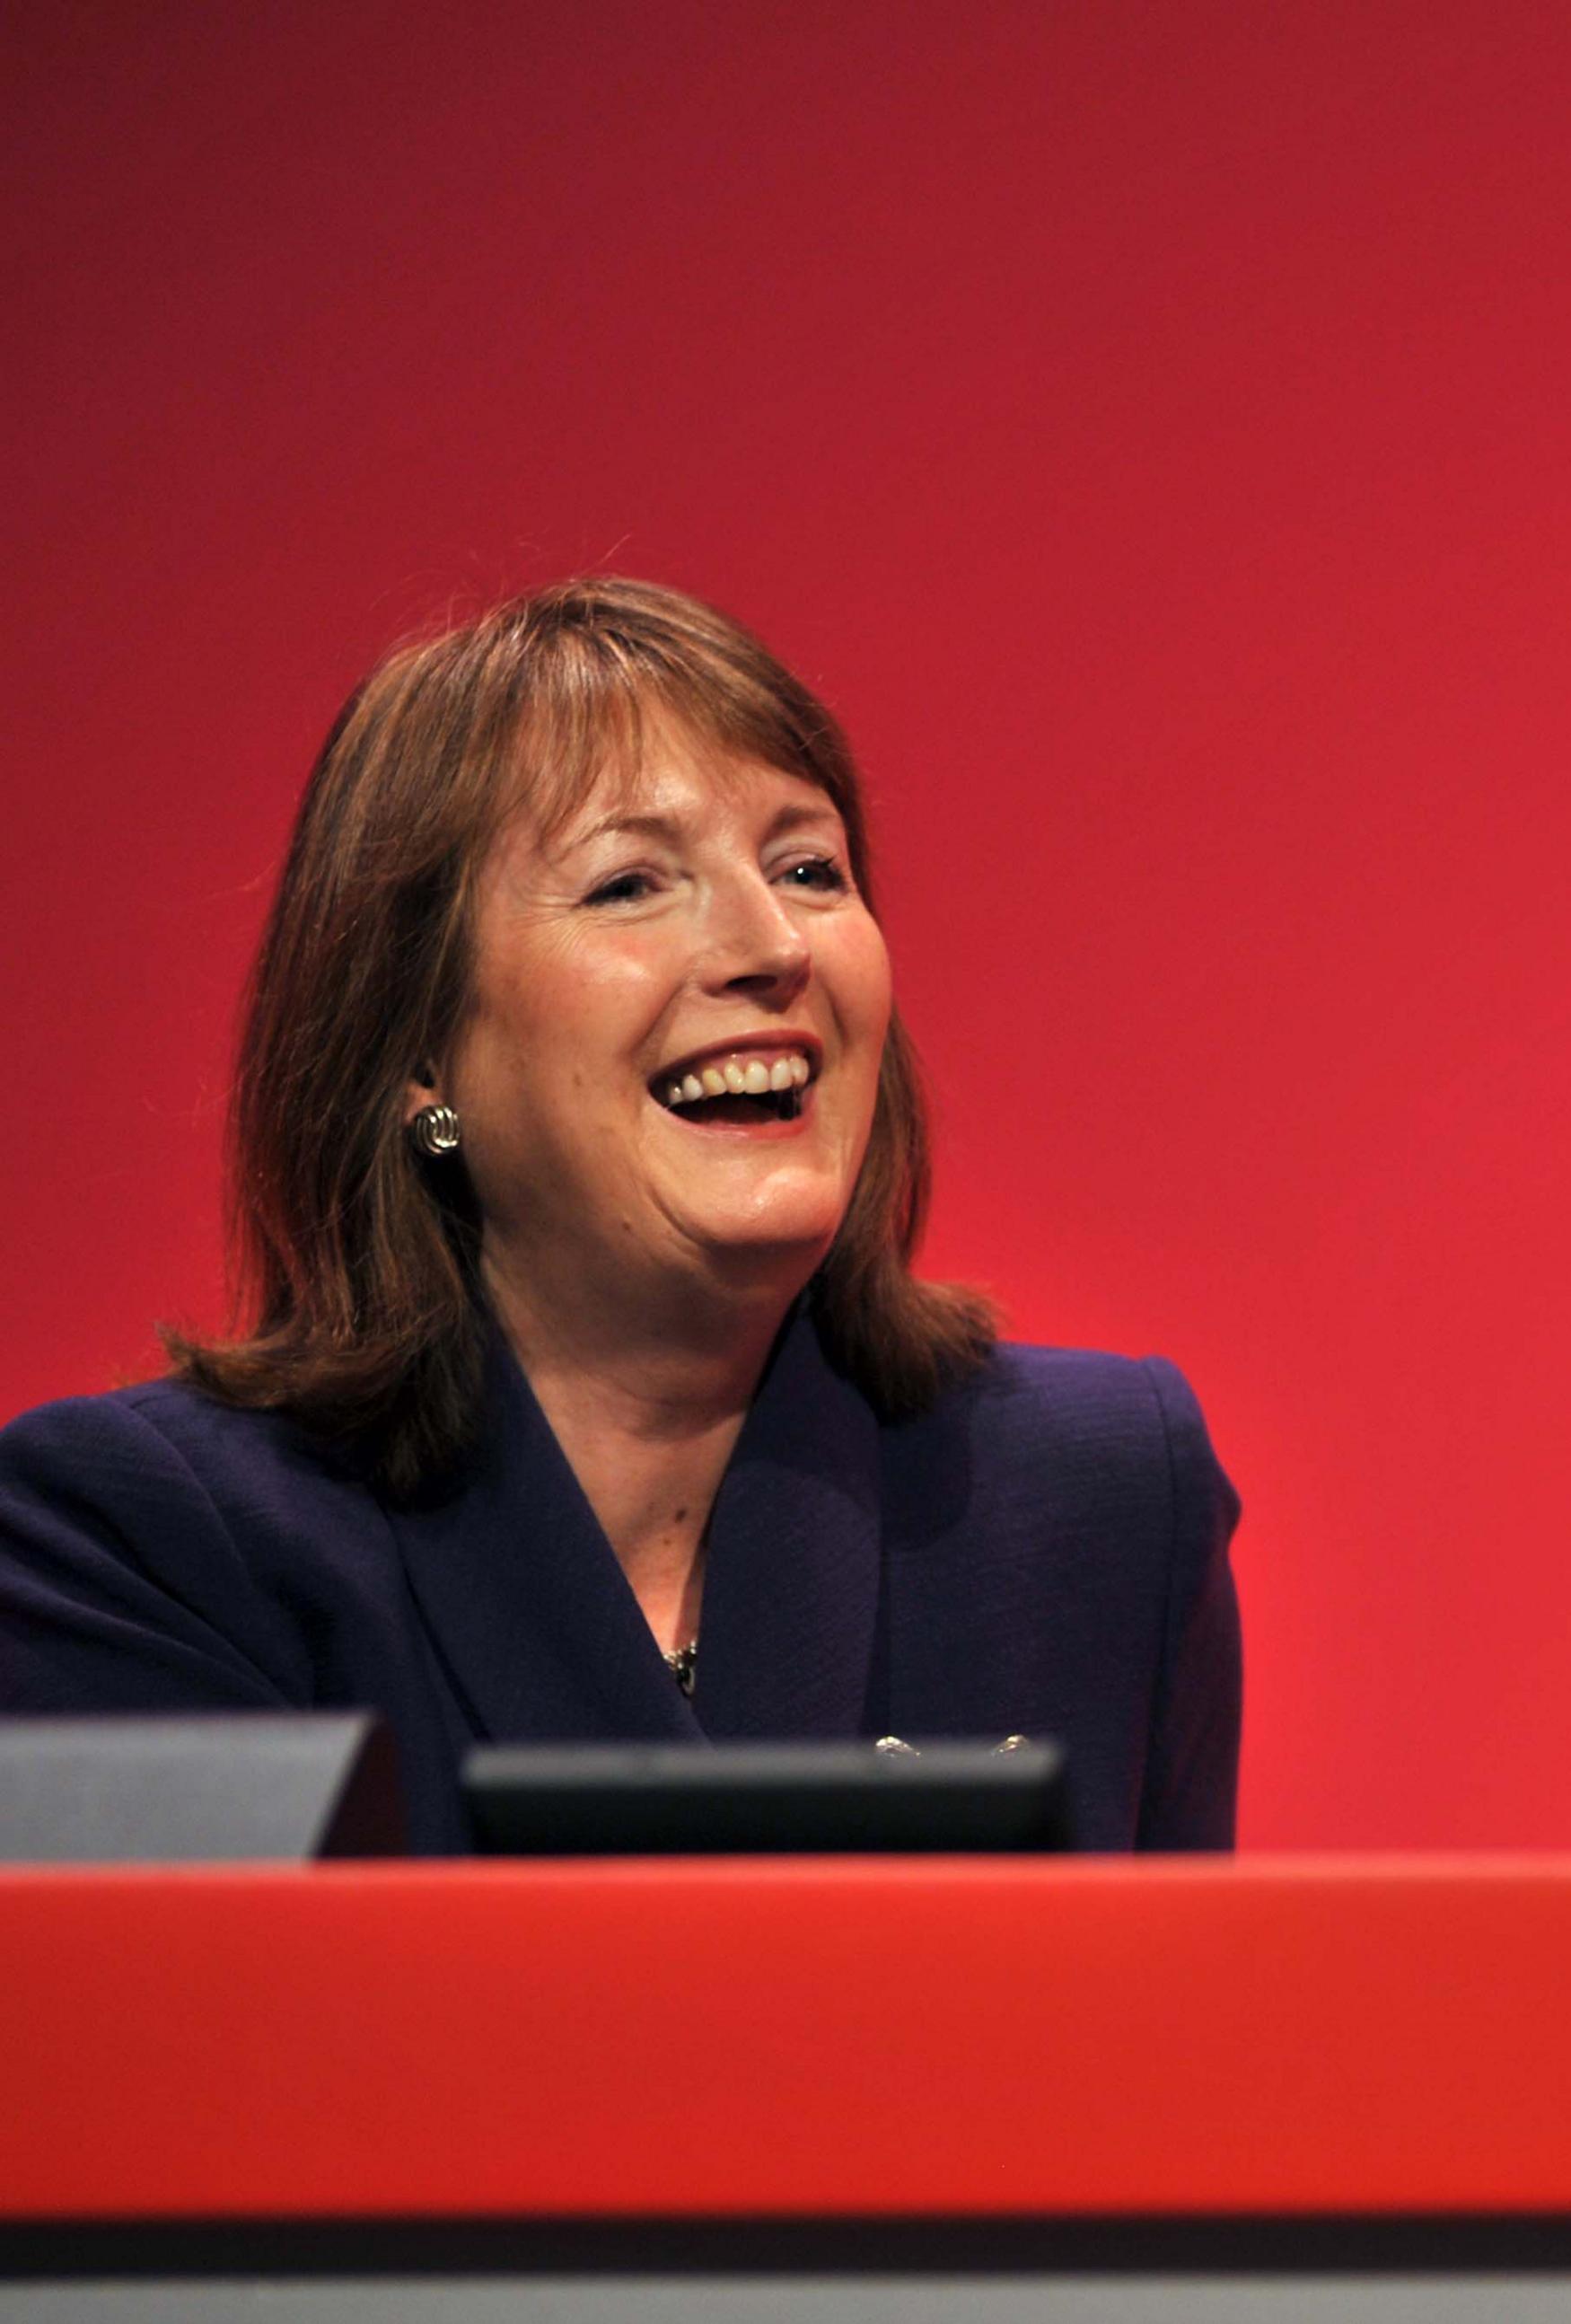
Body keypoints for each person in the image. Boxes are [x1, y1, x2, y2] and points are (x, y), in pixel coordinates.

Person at [0, 580, 1241, 1851]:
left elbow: (1174, 2048)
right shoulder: (154, 1546)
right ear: (417, 1050)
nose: (771, 945)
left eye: (809, 867)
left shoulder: (1103, 1500)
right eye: (629, 886)